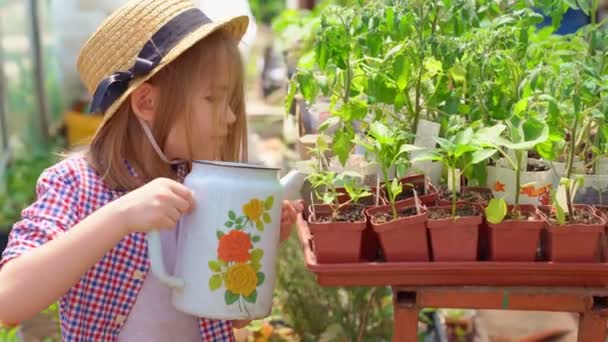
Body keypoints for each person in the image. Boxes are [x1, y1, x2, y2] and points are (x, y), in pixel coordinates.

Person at [0, 0, 302, 340]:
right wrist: (121, 216)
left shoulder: (204, 187)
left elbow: (230, 317)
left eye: (229, 102)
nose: (230, 117)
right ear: (146, 103)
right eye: (213, 99)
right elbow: (8, 301)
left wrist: (255, 247)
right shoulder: (76, 185)